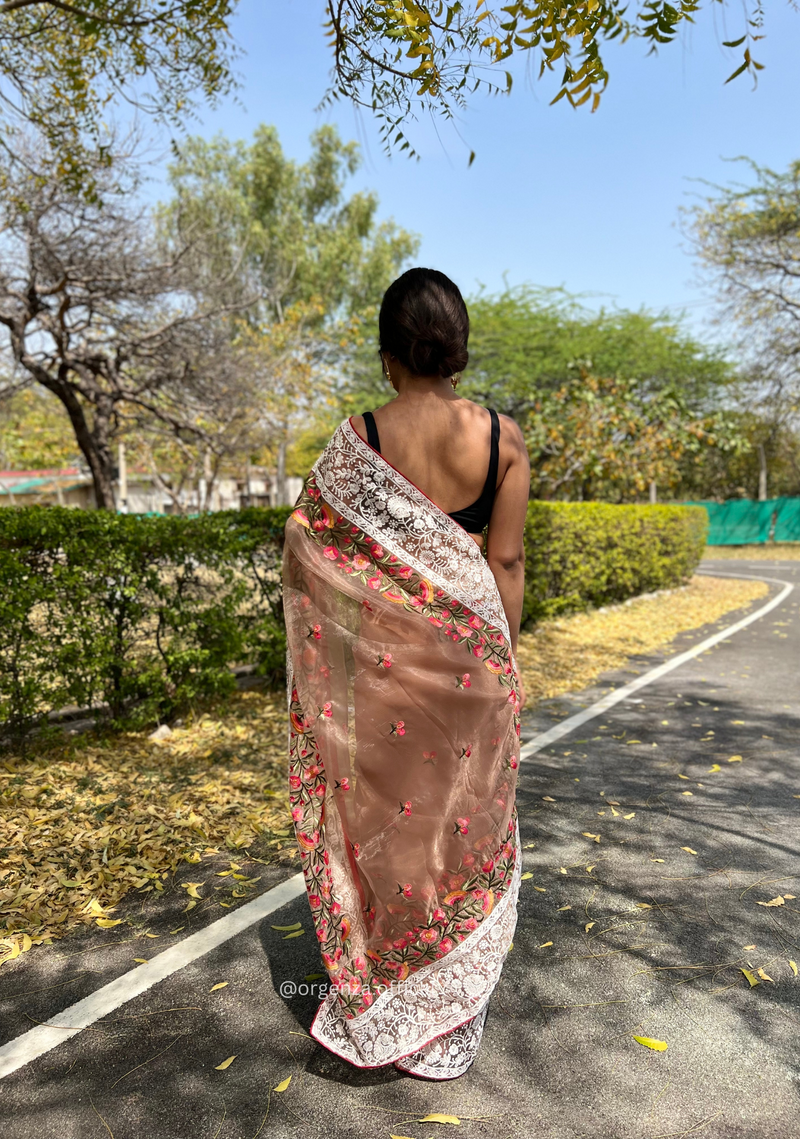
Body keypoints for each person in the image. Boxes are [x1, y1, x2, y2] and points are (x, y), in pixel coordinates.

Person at [282, 267, 530, 1079]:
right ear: (458, 349)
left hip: (386, 678)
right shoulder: (504, 439)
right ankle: (450, 1001)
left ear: (388, 355)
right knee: (465, 825)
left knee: (392, 828)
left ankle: (391, 981)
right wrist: (505, 660)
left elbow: (309, 550)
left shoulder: (360, 438)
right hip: (473, 671)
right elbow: (507, 561)